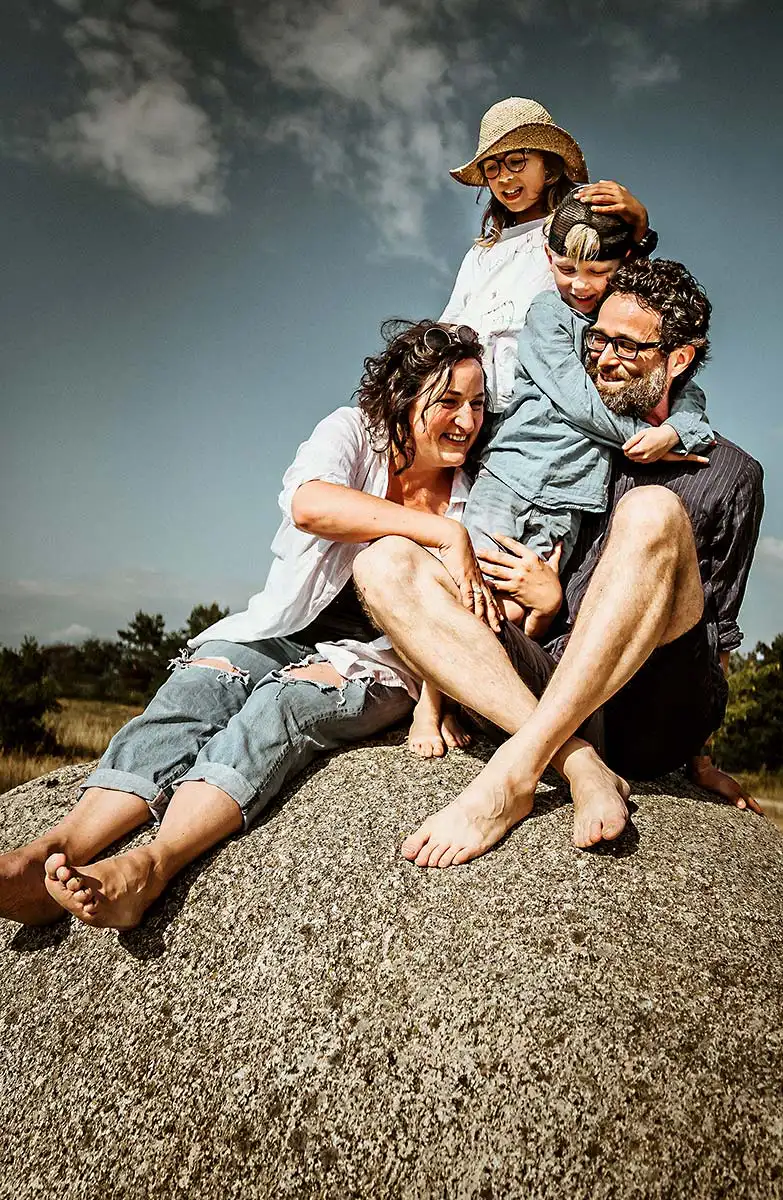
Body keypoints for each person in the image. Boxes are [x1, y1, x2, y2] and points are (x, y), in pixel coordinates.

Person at [0, 320, 496, 928]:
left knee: (283, 704)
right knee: (201, 684)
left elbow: (470, 613)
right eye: (448, 402)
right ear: (401, 397)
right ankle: (52, 852)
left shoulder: (478, 492)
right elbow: (309, 503)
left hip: (383, 660)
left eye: (477, 403)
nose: (467, 421)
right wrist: (441, 531)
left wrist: (436, 704)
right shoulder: (353, 434)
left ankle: (153, 865)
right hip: (286, 624)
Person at [353, 258, 765, 866]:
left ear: (679, 359)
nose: (602, 357)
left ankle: (513, 775)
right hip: (554, 679)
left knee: (652, 510)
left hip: (652, 705)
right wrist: (547, 604)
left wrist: (703, 763)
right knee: (383, 563)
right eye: (598, 336)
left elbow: (719, 636)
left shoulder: (733, 473)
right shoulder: (570, 435)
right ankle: (573, 758)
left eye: (627, 344)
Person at [463, 194, 715, 626]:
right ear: (549, 257)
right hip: (508, 476)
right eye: (565, 270)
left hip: (570, 501)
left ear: (623, 267)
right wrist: (639, 433)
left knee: (517, 610)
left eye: (599, 272)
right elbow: (577, 400)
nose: (580, 285)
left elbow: (686, 393)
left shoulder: (630, 323)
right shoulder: (548, 314)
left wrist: (674, 434)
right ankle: (431, 696)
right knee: (467, 590)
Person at [440, 97, 656, 409]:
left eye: (517, 161)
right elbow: (449, 324)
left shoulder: (570, 234)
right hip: (474, 407)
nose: (504, 177)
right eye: (492, 167)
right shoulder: (481, 254)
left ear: (550, 169)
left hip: (539, 411)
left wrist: (638, 228)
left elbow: (620, 290)